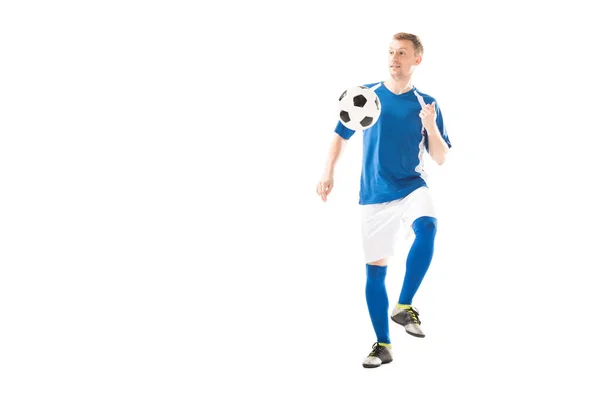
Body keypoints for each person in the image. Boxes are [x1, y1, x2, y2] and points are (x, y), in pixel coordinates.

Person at [316, 32, 452, 368]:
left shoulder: (426, 104)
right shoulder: (366, 96)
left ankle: (404, 306)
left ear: (416, 59)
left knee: (428, 226)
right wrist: (327, 172)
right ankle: (382, 344)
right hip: (375, 195)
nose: (394, 58)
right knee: (375, 273)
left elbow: (440, 157)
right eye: (391, 52)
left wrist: (431, 127)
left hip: (410, 186)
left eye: (402, 53)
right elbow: (340, 136)